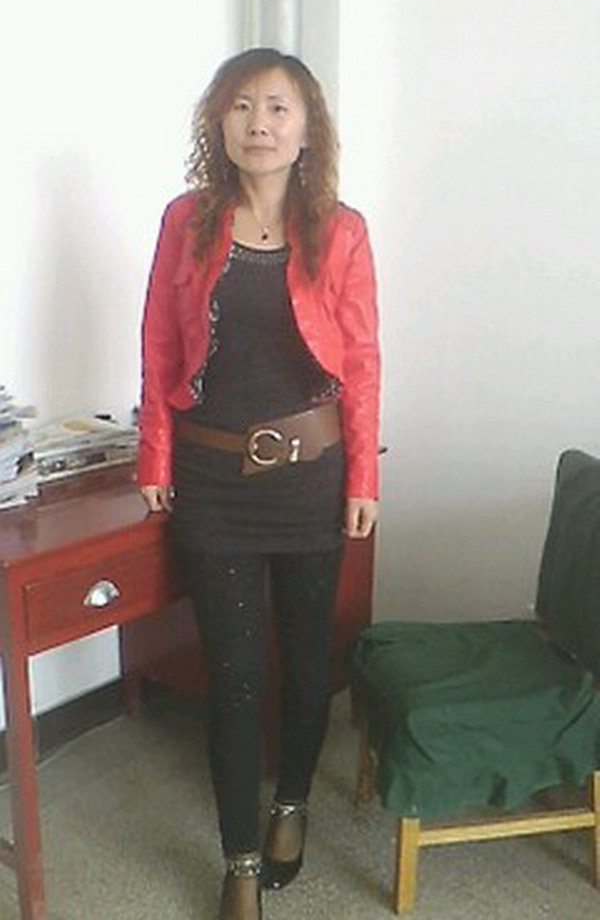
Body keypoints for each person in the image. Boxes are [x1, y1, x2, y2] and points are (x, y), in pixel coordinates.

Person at [138, 47, 380, 920]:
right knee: (235, 675)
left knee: (308, 665)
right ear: (220, 122)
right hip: (213, 483)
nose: (260, 124)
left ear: (308, 128)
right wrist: (155, 459)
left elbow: (362, 359)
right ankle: (239, 858)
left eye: (278, 108)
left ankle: (293, 804)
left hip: (312, 479)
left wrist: (364, 474)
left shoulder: (341, 230)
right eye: (242, 107)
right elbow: (158, 345)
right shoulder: (186, 221)